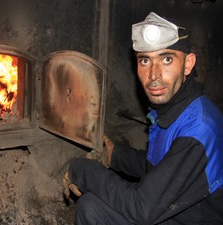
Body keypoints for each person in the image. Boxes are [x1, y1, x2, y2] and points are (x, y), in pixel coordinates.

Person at [63, 12, 223, 225]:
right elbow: (163, 167)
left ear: (188, 64)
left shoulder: (200, 129)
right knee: (91, 207)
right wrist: (115, 156)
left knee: (95, 206)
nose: (154, 74)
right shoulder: (177, 110)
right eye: (145, 60)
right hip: (181, 213)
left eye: (167, 59)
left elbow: (142, 207)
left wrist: (80, 169)